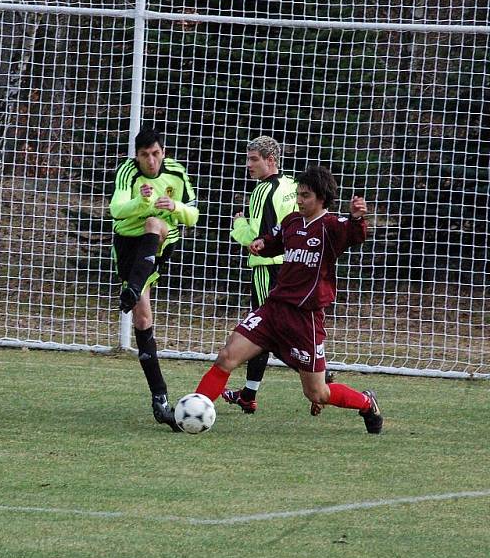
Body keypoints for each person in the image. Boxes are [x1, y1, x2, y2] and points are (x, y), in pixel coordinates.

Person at [194, 165, 383, 434]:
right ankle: (195, 411)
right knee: (226, 357)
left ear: (321, 198)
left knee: (317, 393)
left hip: (304, 318)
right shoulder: (292, 221)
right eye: (298, 194)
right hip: (274, 309)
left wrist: (356, 218)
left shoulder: (331, 226)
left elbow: (355, 233)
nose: (299, 200)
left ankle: (366, 403)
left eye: (305, 195)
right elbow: (278, 241)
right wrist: (263, 244)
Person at [109, 128, 199, 431]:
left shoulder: (176, 172)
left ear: (164, 152)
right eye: (144, 154)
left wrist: (176, 207)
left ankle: (134, 287)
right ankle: (160, 401)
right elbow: (116, 210)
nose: (150, 160)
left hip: (161, 238)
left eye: (156, 153)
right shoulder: (128, 173)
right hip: (129, 246)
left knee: (155, 223)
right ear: (136, 155)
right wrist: (140, 201)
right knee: (143, 321)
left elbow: (194, 214)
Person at [224, 136, 299, 414]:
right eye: (248, 159)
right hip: (293, 267)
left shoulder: (262, 191)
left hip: (267, 268)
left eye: (254, 159)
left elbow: (257, 241)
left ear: (271, 160)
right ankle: (248, 394)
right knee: (274, 329)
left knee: (262, 331)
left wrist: (238, 224)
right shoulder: (292, 185)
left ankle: (318, 374)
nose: (248, 165)